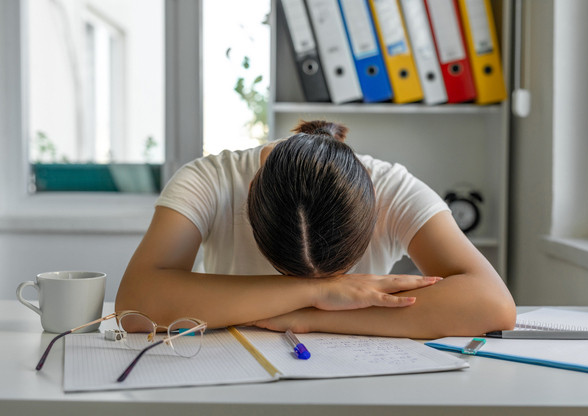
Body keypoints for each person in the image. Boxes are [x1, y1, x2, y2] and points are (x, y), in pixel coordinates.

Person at [116, 120, 515, 338]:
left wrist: (315, 316)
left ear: (372, 200)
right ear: (250, 193)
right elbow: (136, 305)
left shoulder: (391, 187)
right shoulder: (209, 180)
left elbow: (491, 305)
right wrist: (317, 292)